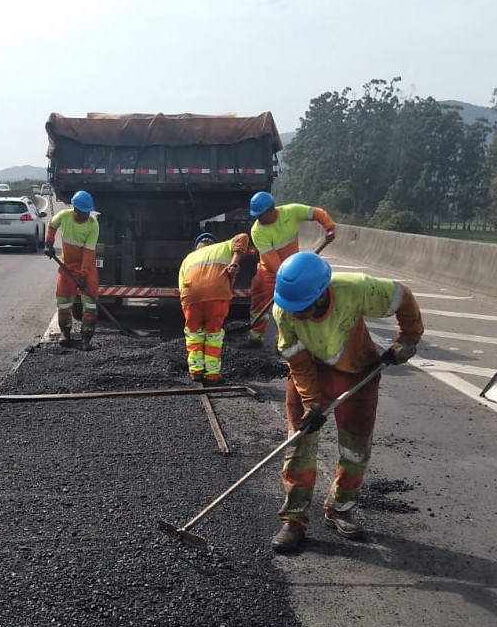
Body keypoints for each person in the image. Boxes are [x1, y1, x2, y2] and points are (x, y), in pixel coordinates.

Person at [268, 251, 424, 554]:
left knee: (355, 448)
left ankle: (340, 508)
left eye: (301, 308)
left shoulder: (355, 289)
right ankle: (294, 518)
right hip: (311, 372)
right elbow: (299, 364)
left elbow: (403, 296)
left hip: (358, 372)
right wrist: (312, 403)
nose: (294, 314)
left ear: (321, 295)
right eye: (290, 308)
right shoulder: (283, 311)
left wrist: (409, 338)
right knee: (299, 444)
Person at [247, 191, 336, 347]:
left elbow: (317, 213)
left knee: (289, 305)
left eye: (261, 214)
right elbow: (272, 262)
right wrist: (287, 279)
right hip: (269, 272)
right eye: (256, 215)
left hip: (292, 267)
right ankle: (256, 335)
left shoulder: (292, 211)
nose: (258, 218)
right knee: (259, 303)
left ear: (271, 209)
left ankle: (283, 339)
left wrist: (329, 227)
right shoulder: (257, 231)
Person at [178, 231, 249, 383]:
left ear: (196, 247)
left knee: (194, 334)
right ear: (214, 243)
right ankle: (212, 374)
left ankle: (196, 371)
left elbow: (181, 285)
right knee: (213, 335)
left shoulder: (188, 258)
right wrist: (234, 260)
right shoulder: (222, 247)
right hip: (217, 295)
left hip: (191, 295)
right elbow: (243, 237)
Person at [44, 190, 100, 351]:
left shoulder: (93, 224)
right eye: (84, 212)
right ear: (75, 210)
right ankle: (65, 334)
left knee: (90, 304)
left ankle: (86, 339)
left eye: (89, 212)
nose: (87, 215)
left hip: (86, 268)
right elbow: (52, 225)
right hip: (66, 267)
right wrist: (49, 243)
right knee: (63, 302)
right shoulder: (64, 216)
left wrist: (83, 274)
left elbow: (89, 252)